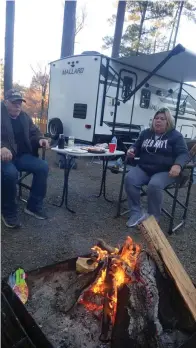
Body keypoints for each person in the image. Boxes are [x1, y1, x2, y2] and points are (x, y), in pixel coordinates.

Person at [124, 107, 189, 228]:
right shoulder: (146, 133)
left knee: (154, 184)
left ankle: (153, 218)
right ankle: (136, 213)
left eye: (162, 119)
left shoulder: (176, 136)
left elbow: (184, 153)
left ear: (168, 122)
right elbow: (136, 146)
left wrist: (177, 165)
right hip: (145, 168)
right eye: (156, 118)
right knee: (130, 178)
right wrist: (132, 150)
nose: (158, 121)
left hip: (165, 171)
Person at [1, 89, 50, 228]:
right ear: (6, 102)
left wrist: (41, 139)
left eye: (19, 103)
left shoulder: (24, 116)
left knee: (43, 166)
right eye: (14, 102)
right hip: (3, 158)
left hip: (21, 156)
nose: (18, 106)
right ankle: (8, 211)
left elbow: (35, 132)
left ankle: (33, 206)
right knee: (10, 173)